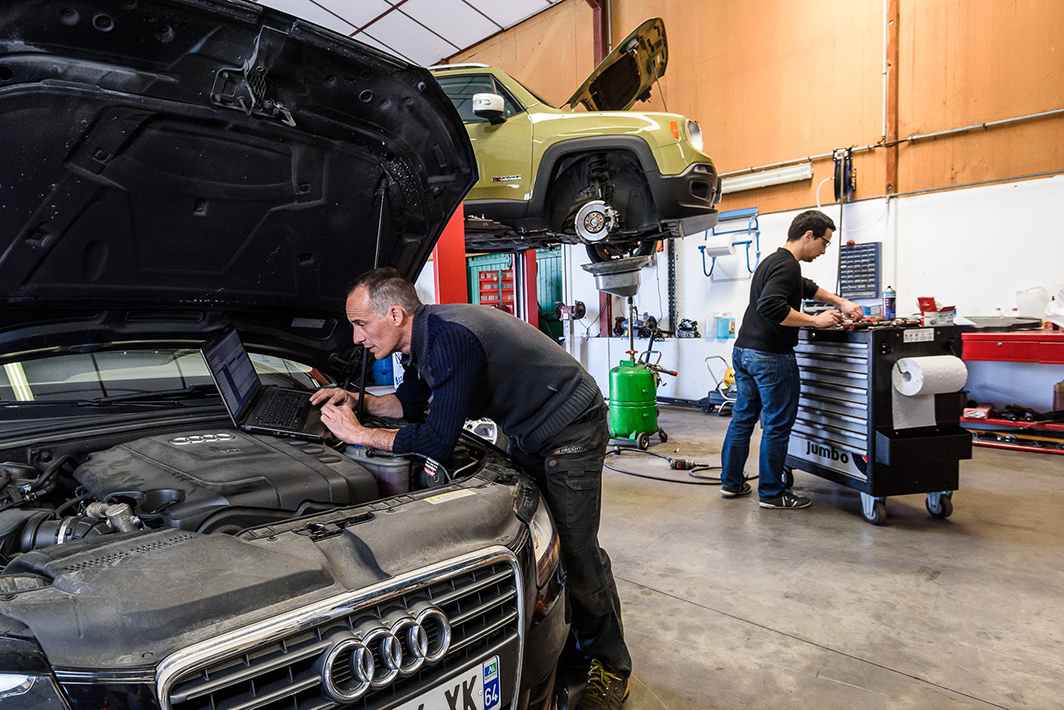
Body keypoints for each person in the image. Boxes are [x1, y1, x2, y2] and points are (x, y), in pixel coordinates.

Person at [311, 267, 632, 710]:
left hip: (570, 426)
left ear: (395, 315)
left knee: (576, 551)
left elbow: (437, 441)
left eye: (361, 323)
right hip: (529, 430)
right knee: (549, 543)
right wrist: (357, 401)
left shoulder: (450, 340)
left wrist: (359, 435)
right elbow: (408, 405)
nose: (356, 337)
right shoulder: (420, 342)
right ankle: (578, 643)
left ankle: (610, 666)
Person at [720, 210, 864, 509]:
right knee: (776, 425)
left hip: (744, 351)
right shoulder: (787, 265)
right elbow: (771, 306)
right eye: (824, 242)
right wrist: (815, 321)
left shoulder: (775, 261)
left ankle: (731, 483)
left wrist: (841, 302)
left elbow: (806, 287)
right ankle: (772, 494)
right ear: (808, 235)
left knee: (743, 419)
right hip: (770, 356)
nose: (824, 250)